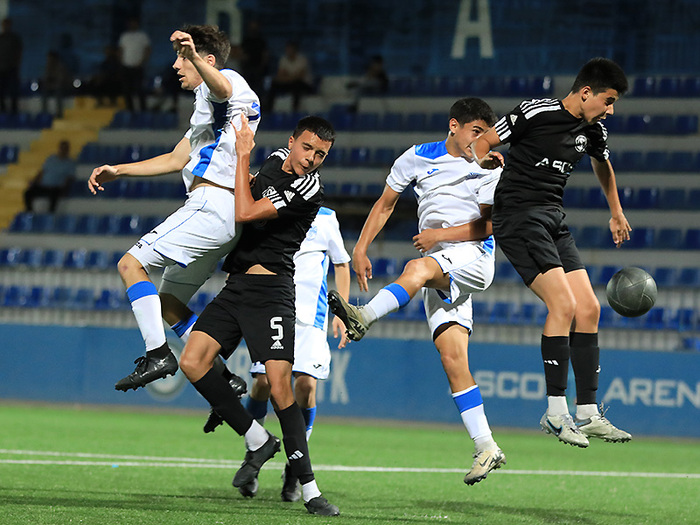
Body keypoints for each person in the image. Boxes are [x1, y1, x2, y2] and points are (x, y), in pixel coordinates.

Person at [328, 98, 506, 485]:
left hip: (473, 257)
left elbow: (488, 228)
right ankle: (486, 445)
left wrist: (438, 235)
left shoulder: (490, 166)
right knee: (452, 357)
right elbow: (386, 203)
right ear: (454, 125)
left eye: (486, 134)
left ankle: (363, 317)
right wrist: (359, 247)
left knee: (416, 267)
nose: (482, 141)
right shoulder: (416, 157)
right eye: (476, 132)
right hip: (442, 265)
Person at [179, 115, 340, 516]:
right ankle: (257, 439)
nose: (312, 159)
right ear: (292, 142)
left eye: (321, 154)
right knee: (192, 360)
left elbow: (245, 212)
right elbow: (246, 188)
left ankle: (310, 490)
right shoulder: (275, 161)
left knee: (280, 386)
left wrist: (242, 154)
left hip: (272, 293)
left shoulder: (309, 187)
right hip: (237, 287)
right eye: (308, 148)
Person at [87, 25, 260, 392]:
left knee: (130, 265)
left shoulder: (227, 82)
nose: (176, 66)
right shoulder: (209, 113)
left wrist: (194, 54)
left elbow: (222, 88)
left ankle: (158, 354)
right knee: (167, 303)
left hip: (212, 205)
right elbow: (176, 157)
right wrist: (120, 170)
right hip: (220, 215)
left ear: (207, 60)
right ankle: (222, 375)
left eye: (183, 58)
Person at [470, 57, 633, 447]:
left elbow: (603, 165)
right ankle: (555, 412)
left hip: (552, 218)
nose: (610, 110)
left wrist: (616, 211)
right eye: (608, 101)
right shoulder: (535, 112)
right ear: (586, 92)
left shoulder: (594, 130)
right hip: (518, 217)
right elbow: (483, 141)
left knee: (589, 308)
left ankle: (587, 412)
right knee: (563, 306)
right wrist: (484, 157)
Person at [205, 206, 351, 502]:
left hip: (311, 317)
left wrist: (343, 311)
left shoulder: (325, 217)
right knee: (262, 383)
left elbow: (342, 264)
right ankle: (253, 453)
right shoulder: (274, 208)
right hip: (272, 308)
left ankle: (295, 469)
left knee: (306, 386)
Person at [24, 140, 76, 213]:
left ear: (68, 150)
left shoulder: (70, 163)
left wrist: (65, 187)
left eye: (65, 148)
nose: (63, 150)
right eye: (62, 148)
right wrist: (34, 180)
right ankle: (29, 211)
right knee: (28, 193)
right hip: (44, 186)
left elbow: (70, 177)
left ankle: (50, 215)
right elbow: (42, 171)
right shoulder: (51, 159)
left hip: (56, 187)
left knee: (54, 197)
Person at [266, 41, 313, 112]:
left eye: (290, 49)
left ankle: (295, 111)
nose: (288, 51)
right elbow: (280, 75)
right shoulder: (283, 59)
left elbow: (300, 76)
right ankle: (268, 110)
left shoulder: (302, 59)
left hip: (303, 84)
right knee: (274, 84)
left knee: (297, 85)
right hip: (289, 83)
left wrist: (288, 76)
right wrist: (290, 77)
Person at [118, 17, 151, 112]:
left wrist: (142, 62)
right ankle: (130, 110)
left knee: (139, 89)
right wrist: (121, 62)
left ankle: (143, 110)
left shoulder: (142, 36)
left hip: (138, 66)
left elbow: (147, 49)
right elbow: (121, 49)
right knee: (127, 90)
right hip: (126, 66)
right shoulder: (124, 36)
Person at [0, 18, 22, 114]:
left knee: (14, 91)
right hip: (1, 69)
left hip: (12, 68)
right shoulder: (1, 38)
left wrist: (15, 64)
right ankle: (2, 109)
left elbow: (19, 52)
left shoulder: (15, 38)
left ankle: (14, 111)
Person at [41, 51, 72, 117]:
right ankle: (44, 114)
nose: (48, 60)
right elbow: (45, 80)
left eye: (50, 58)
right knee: (44, 93)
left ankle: (59, 114)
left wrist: (52, 84)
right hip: (52, 88)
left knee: (58, 93)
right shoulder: (48, 67)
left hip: (63, 88)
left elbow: (61, 81)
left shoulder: (60, 67)